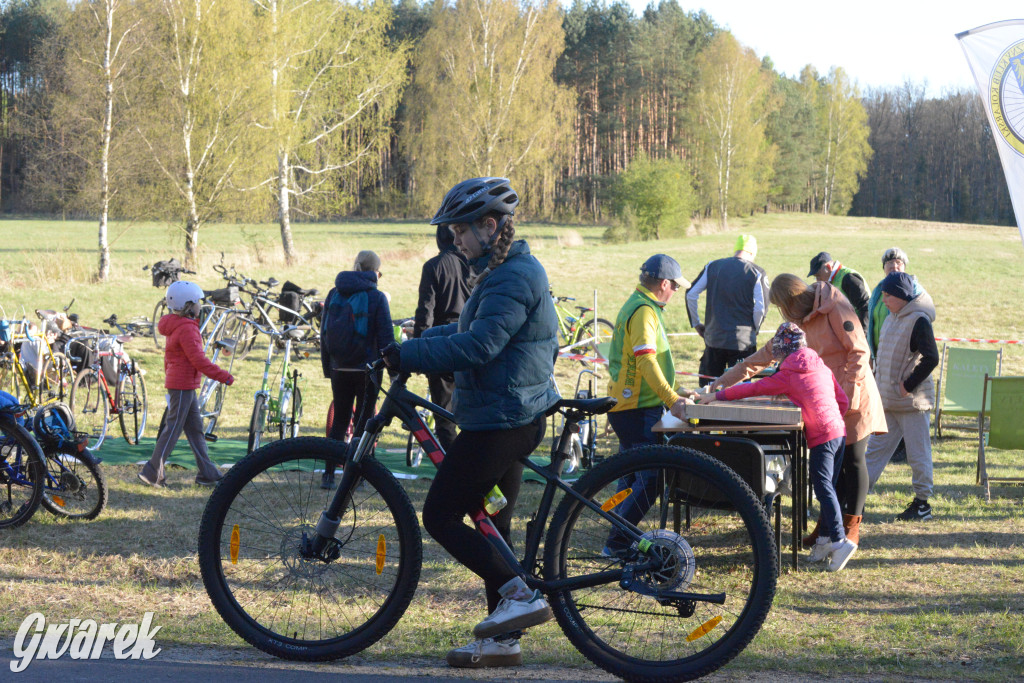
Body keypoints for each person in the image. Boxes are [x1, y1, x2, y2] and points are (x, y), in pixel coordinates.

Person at [382, 177, 559, 669]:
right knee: (491, 528)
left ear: (489, 225)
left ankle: (520, 596)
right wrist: (413, 338)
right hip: (504, 414)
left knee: (439, 515)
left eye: (460, 230)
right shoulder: (500, 273)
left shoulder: (513, 276)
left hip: (502, 420)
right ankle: (505, 641)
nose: (454, 239)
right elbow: (466, 329)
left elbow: (481, 346)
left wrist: (411, 354)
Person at [711, 274, 886, 549]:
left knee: (852, 462)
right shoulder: (795, 325)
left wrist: (850, 395)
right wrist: (718, 385)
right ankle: (829, 528)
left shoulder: (835, 306)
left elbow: (859, 352)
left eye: (781, 306)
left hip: (854, 395)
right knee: (831, 474)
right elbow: (760, 358)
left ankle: (851, 528)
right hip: (826, 401)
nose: (782, 313)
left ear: (790, 301)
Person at [700, 322, 856, 571]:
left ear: (782, 352)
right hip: (838, 431)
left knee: (822, 486)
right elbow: (842, 400)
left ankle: (839, 540)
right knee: (830, 487)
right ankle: (826, 539)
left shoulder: (788, 374)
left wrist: (715, 396)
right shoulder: (821, 367)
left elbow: (752, 388)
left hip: (822, 436)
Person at [603, 254, 690, 553]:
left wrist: (678, 389)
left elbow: (654, 362)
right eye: (676, 287)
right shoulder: (643, 311)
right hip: (637, 409)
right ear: (664, 284)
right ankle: (616, 541)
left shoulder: (639, 304)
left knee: (628, 477)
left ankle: (612, 524)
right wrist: (672, 399)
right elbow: (645, 361)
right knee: (652, 478)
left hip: (630, 407)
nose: (676, 292)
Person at [138, 281, 234, 487]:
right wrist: (223, 376)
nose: (201, 305)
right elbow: (198, 360)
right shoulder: (187, 329)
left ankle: (207, 473)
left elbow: (170, 358)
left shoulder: (176, 325)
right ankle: (152, 472)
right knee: (172, 430)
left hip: (183, 385)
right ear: (188, 305)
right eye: (198, 302)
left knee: (196, 430)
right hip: (182, 386)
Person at [865, 271, 939, 521]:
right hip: (888, 401)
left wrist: (908, 385)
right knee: (873, 452)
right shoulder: (892, 317)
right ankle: (856, 500)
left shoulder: (919, 320)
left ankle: (922, 504)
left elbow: (932, 358)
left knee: (918, 454)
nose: (883, 299)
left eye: (887, 295)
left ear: (902, 296)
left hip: (912, 403)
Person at [320, 250, 394, 489]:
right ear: (375, 271)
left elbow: (323, 335)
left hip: (339, 368)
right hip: (368, 370)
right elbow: (386, 338)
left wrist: (328, 368)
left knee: (340, 420)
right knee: (365, 423)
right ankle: (360, 476)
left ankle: (329, 474)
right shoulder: (377, 297)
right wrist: (393, 372)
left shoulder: (333, 293)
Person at [412, 225, 471, 452]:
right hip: (470, 340)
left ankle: (453, 469)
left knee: (444, 416)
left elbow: (425, 312)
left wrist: (418, 351)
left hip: (441, 345)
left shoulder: (433, 266)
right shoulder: (472, 264)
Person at [685, 234, 770, 387]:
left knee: (708, 390)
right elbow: (761, 308)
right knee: (739, 395)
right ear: (752, 253)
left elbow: (691, 294)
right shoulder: (757, 272)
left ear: (736, 249)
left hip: (713, 341)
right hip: (742, 344)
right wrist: (755, 329)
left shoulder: (712, 266)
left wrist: (696, 323)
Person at [866, 247, 925, 360]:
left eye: (899, 262)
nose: (894, 266)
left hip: (900, 356)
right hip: (878, 356)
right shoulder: (878, 291)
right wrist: (871, 356)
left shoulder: (914, 290)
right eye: (889, 263)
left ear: (904, 267)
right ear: (884, 268)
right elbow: (872, 323)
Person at [808, 251, 871, 333]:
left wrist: (863, 333)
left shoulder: (848, 278)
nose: (817, 280)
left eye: (818, 276)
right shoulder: (831, 280)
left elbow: (865, 306)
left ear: (829, 267)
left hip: (858, 331)